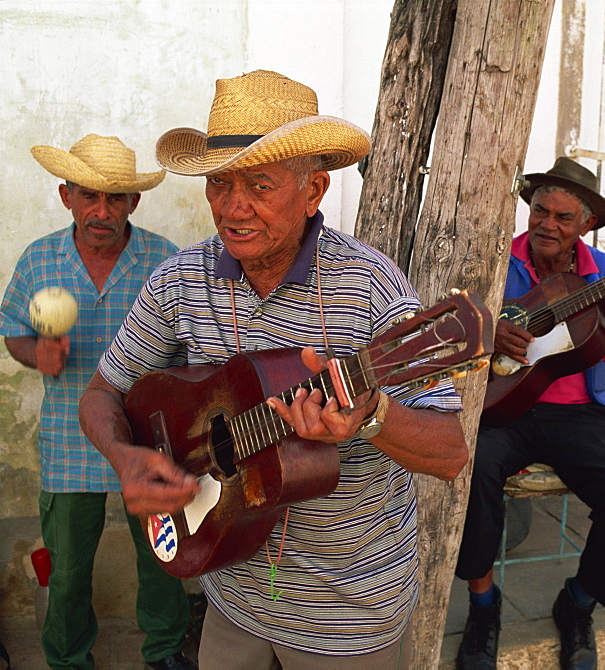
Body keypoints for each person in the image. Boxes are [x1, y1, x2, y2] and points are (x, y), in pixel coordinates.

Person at [77, 70, 469, 668]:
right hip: (229, 591)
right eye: (218, 183)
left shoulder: (370, 287)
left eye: (259, 185)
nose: (233, 208)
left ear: (314, 190)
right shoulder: (182, 281)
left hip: (350, 613)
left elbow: (449, 453)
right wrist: (126, 457)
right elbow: (102, 393)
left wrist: (373, 417)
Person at [455, 157, 605, 670]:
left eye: (562, 217)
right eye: (540, 211)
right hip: (504, 407)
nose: (546, 225)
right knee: (471, 469)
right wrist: (488, 340)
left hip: (580, 416)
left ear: (587, 225)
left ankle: (578, 603)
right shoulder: (492, 259)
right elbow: (446, 337)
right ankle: (484, 605)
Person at [0, 134, 193, 669]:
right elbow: (12, 329)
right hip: (68, 441)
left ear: (135, 202)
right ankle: (66, 658)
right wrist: (35, 353)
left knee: (163, 558)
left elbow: (190, 349)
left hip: (150, 440)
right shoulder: (40, 260)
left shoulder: (165, 260)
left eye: (114, 199)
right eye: (89, 196)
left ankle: (165, 651)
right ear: (67, 197)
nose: (101, 211)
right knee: (66, 571)